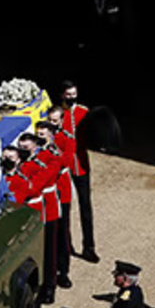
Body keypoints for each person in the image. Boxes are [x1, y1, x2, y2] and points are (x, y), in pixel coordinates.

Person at [59, 81, 99, 263]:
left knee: (86, 208)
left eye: (74, 94)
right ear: (62, 96)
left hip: (81, 164)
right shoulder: (57, 114)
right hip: (64, 167)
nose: (72, 98)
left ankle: (89, 247)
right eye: (68, 94)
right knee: (65, 210)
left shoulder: (84, 112)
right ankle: (65, 246)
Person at [18, 132, 59, 304]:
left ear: (35, 146)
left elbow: (34, 188)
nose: (23, 151)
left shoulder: (43, 162)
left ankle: (49, 287)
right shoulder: (18, 164)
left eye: (25, 148)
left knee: (48, 251)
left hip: (40, 210)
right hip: (22, 211)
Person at [37, 117, 73, 288]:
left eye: (42, 134)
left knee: (61, 235)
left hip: (56, 195)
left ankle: (63, 271)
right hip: (42, 200)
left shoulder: (57, 149)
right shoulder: (35, 151)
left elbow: (66, 162)